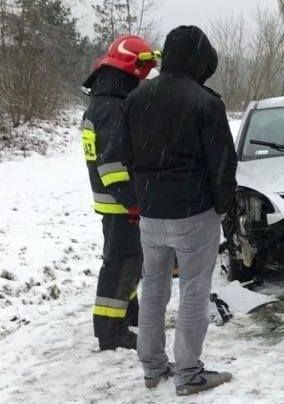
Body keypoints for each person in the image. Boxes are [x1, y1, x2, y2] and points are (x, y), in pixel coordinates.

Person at [119, 26, 237, 396]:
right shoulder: (204, 102)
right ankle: (189, 373)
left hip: (152, 215)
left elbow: (126, 155)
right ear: (198, 59)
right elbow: (223, 165)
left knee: (153, 289)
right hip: (194, 214)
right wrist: (222, 208)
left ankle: (152, 366)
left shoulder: (137, 99)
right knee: (193, 292)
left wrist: (142, 198)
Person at [81, 34, 159, 351]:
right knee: (121, 263)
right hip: (119, 202)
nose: (144, 77)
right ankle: (110, 329)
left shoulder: (104, 102)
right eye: (142, 69)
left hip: (113, 201)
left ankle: (128, 313)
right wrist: (133, 202)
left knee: (128, 261)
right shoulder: (112, 108)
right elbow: (112, 163)